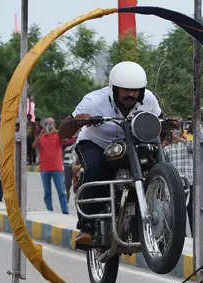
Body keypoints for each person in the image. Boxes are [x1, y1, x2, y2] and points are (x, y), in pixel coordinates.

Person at [59, 61, 162, 248]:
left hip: (133, 142)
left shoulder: (149, 100)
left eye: (136, 90)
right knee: (96, 168)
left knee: (157, 159)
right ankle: (87, 227)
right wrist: (76, 123)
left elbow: (159, 120)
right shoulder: (93, 101)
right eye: (125, 90)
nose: (131, 94)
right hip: (96, 142)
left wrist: (168, 126)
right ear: (114, 88)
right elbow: (63, 131)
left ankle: (165, 209)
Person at [33, 118, 69, 214]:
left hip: (57, 168)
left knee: (61, 191)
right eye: (46, 123)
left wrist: (55, 130)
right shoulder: (42, 136)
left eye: (50, 123)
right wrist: (41, 133)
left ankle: (65, 212)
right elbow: (33, 145)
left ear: (54, 124)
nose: (48, 125)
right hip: (45, 169)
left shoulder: (58, 135)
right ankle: (50, 212)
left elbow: (66, 138)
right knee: (47, 193)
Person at [164, 123, 194, 234]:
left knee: (192, 212)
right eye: (172, 131)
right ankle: (182, 237)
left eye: (176, 130)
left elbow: (194, 148)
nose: (174, 133)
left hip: (189, 183)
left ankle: (196, 236)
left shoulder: (187, 144)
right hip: (176, 184)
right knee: (178, 213)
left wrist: (181, 139)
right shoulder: (167, 148)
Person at [61, 133, 77, 202]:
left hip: (76, 163)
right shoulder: (64, 139)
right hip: (67, 163)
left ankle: (77, 196)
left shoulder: (79, 136)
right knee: (67, 183)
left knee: (76, 183)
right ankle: (67, 192)